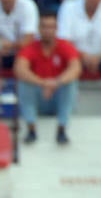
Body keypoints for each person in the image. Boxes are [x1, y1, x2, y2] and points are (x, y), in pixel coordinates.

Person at [15, 11, 81, 145]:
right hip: (39, 96)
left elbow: (76, 68)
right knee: (24, 84)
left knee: (70, 83)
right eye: (44, 27)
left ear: (57, 29)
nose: (48, 31)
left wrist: (56, 82)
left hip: (58, 96)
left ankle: (61, 129)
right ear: (39, 29)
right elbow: (19, 69)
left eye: (51, 27)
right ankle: (31, 129)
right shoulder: (31, 47)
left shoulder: (65, 46)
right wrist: (43, 83)